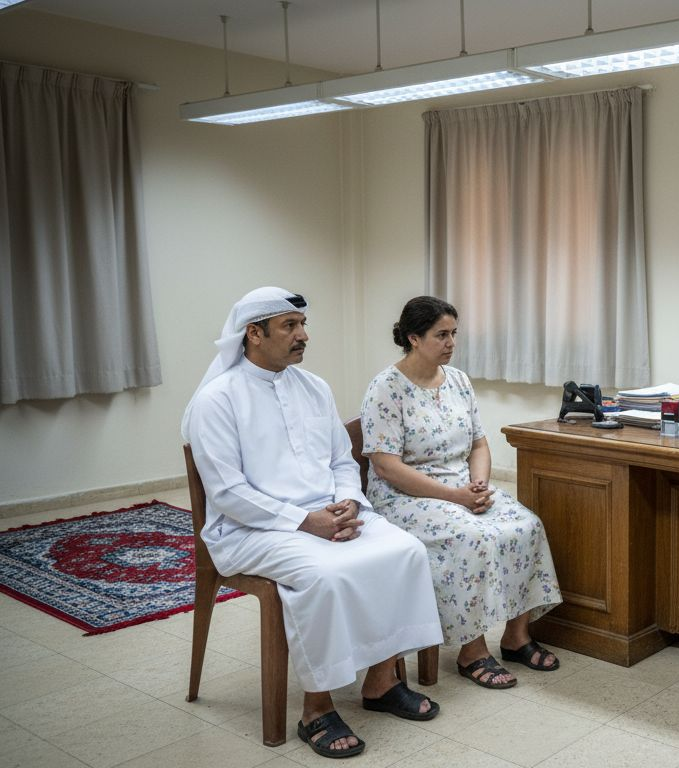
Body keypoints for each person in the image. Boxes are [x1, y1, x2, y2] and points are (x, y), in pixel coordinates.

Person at [183, 287, 444, 759]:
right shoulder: (217, 400)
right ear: (254, 334)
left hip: (327, 514)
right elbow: (228, 494)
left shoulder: (314, 387)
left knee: (403, 551)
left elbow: (343, 461)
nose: (303, 335)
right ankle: (316, 708)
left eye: (303, 325)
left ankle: (381, 683)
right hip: (249, 530)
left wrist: (347, 502)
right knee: (323, 575)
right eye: (290, 326)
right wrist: (305, 522)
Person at [360, 296, 562, 690]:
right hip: (405, 497)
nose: (451, 342)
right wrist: (457, 498)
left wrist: (480, 486)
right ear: (413, 338)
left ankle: (516, 636)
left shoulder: (458, 381)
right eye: (441, 335)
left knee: (526, 526)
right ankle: (472, 651)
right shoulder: (386, 389)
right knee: (473, 538)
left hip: (460, 489)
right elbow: (387, 466)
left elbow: (478, 444)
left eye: (454, 333)